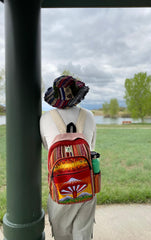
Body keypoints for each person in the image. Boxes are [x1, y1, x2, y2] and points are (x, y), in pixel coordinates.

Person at [40, 75, 97, 240]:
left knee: (61, 233)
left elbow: (47, 147)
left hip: (59, 187)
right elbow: (91, 146)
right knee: (83, 233)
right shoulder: (90, 116)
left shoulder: (45, 118)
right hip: (87, 184)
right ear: (77, 95)